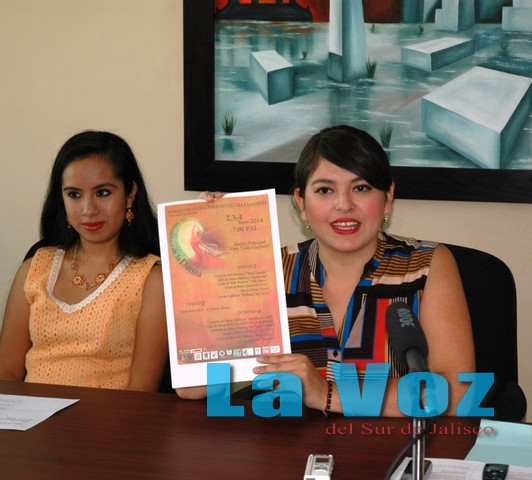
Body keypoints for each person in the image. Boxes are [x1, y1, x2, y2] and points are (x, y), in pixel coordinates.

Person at [180, 124, 475, 416]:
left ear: (387, 197)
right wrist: (214, 257)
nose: (344, 204)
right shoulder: (266, 272)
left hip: (395, 444)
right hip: (287, 445)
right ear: (301, 203)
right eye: (324, 190)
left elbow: (457, 391)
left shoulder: (426, 264)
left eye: (361, 188)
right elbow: (192, 387)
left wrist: (328, 393)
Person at [0, 131, 168, 391]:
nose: (89, 209)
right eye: (74, 195)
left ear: (130, 194)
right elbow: (6, 372)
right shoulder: (35, 267)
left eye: (103, 192)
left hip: (108, 417)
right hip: (31, 415)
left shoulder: (151, 279)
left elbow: (141, 393)